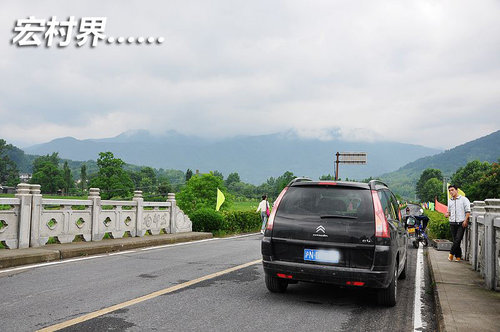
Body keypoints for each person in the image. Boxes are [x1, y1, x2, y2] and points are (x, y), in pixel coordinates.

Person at [445, 184, 471, 262]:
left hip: (461, 223)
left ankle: (451, 254)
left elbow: (468, 211)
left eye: (452, 190)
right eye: (449, 191)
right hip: (452, 222)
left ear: (457, 190)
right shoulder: (450, 201)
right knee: (456, 240)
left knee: (458, 239)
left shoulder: (464, 199)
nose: (451, 192)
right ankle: (458, 256)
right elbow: (449, 212)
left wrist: (466, 220)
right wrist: (447, 214)